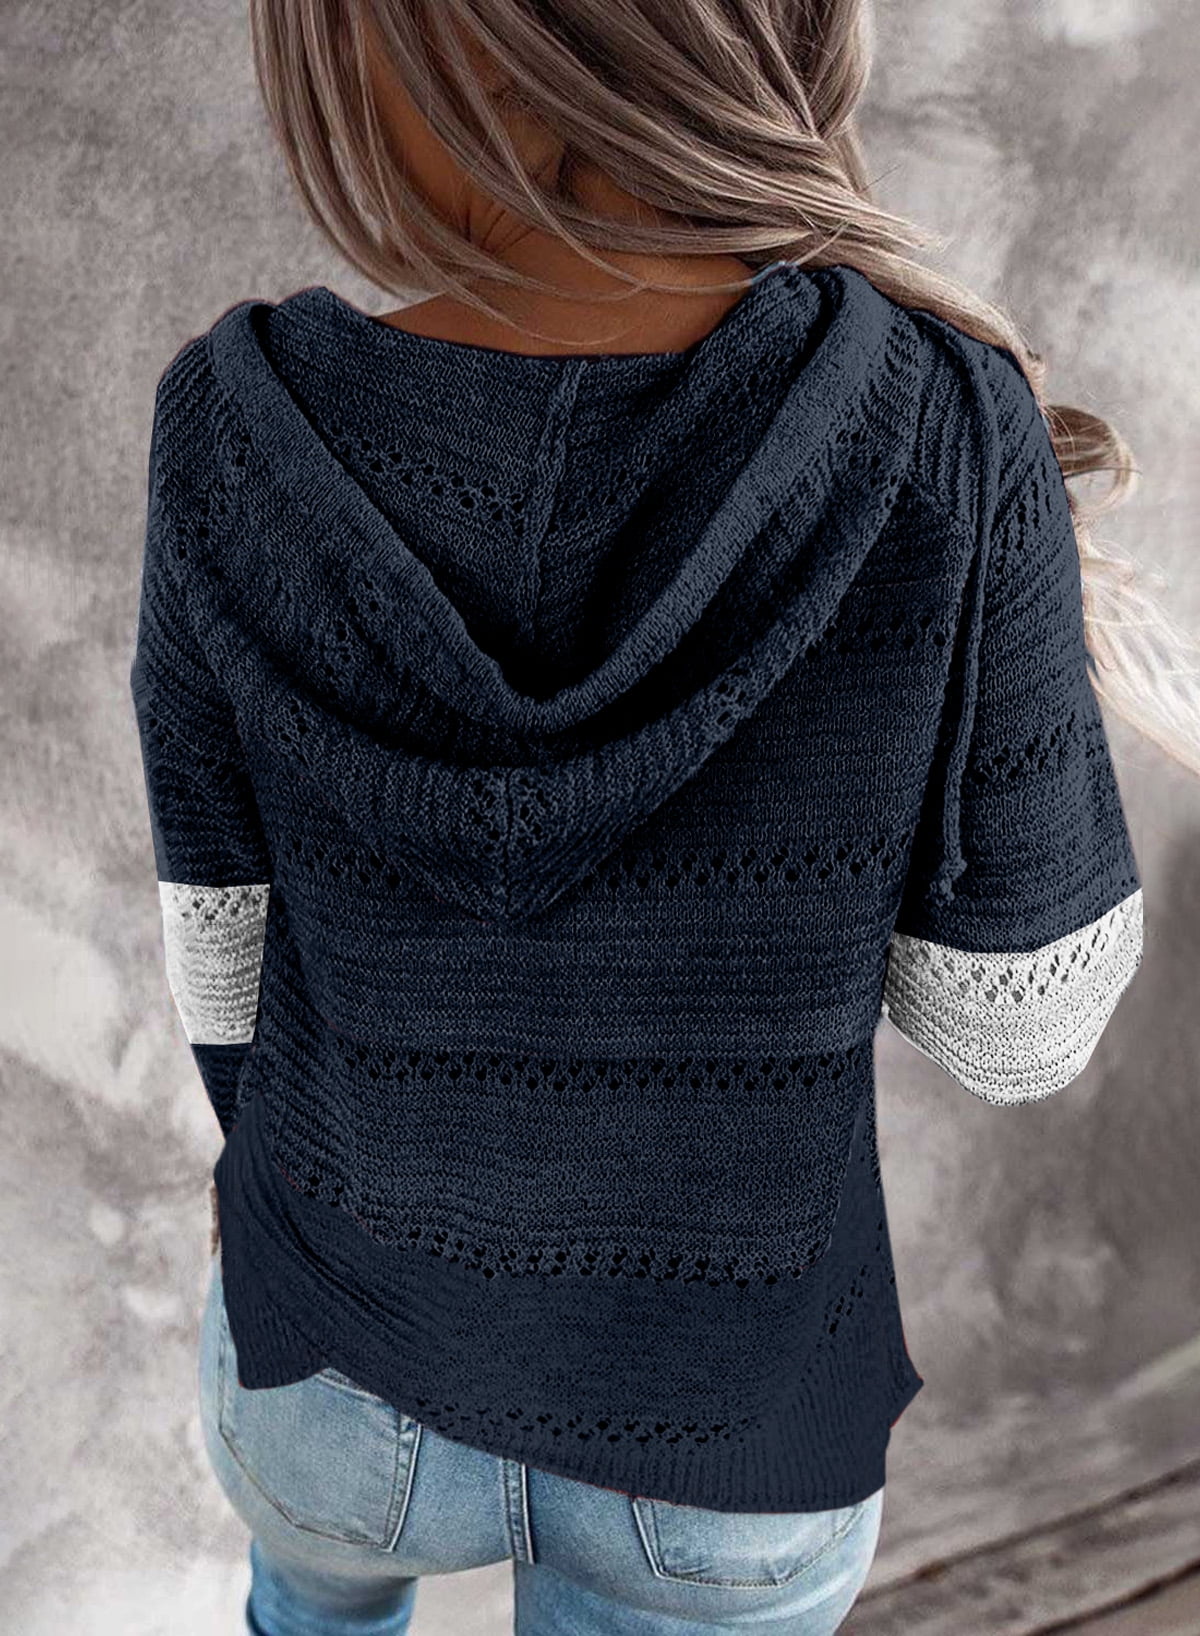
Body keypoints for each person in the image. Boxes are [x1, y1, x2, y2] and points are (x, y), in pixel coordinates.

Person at [129, 2, 1192, 1631]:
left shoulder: (229, 422)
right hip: (722, 1429)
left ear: (456, 51)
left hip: (331, 1369)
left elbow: (222, 965)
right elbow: (1020, 1034)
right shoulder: (942, 418)